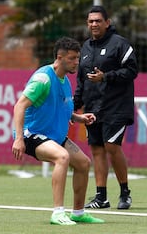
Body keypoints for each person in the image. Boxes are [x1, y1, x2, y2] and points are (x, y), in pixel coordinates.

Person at [12, 37, 104, 225]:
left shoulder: (64, 80)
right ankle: (57, 213)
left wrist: (79, 118)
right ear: (59, 57)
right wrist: (19, 139)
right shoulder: (43, 78)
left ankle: (78, 213)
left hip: (53, 136)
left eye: (77, 58)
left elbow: (62, 108)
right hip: (32, 134)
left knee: (84, 164)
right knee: (62, 157)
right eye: (71, 58)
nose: (76, 62)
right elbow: (19, 106)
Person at [73, 6, 138, 210]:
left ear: (107, 22)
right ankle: (101, 197)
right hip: (93, 107)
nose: (94, 24)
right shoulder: (84, 48)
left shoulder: (120, 44)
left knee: (111, 146)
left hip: (116, 106)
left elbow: (131, 71)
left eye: (98, 21)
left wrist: (106, 76)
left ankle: (125, 193)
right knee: (97, 149)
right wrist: (74, 107)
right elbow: (81, 81)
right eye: (91, 21)